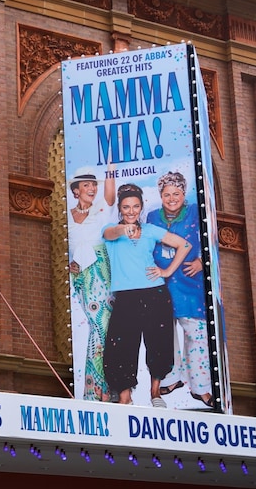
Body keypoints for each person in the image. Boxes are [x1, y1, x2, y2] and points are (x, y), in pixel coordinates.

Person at [102, 183, 190, 408]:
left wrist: (167, 271)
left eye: (135, 206)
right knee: (121, 346)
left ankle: (155, 393)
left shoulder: (151, 230)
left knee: (158, 343)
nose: (131, 211)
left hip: (155, 294)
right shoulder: (111, 230)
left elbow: (184, 245)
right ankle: (124, 397)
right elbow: (111, 234)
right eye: (126, 207)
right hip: (126, 297)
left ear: (141, 208)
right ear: (120, 209)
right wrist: (124, 230)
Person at [147, 172, 214, 407]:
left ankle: (201, 387)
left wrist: (201, 261)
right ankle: (171, 379)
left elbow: (212, 239)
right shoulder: (152, 216)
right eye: (167, 194)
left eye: (176, 193)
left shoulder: (196, 210)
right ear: (160, 195)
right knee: (166, 335)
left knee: (196, 334)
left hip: (190, 283)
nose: (172, 198)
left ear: (184, 194)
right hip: (161, 284)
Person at [67, 166, 115, 402]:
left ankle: (102, 388)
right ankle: (92, 388)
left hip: (99, 273)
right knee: (89, 327)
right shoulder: (68, 216)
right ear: (76, 191)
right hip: (79, 276)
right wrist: (70, 264)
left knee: (102, 326)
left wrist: (110, 167)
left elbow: (110, 193)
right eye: (86, 185)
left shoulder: (101, 211)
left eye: (93, 184)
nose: (91, 188)